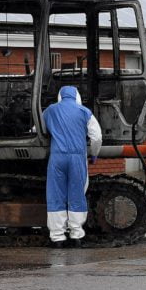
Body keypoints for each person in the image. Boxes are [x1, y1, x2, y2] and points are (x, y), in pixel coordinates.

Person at [41, 85, 102, 248]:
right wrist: (94, 153)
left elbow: (37, 129)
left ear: (60, 96)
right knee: (77, 195)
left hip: (57, 157)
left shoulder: (50, 110)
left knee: (55, 195)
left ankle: (57, 237)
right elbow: (97, 137)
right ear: (77, 96)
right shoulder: (84, 112)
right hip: (77, 158)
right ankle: (76, 235)